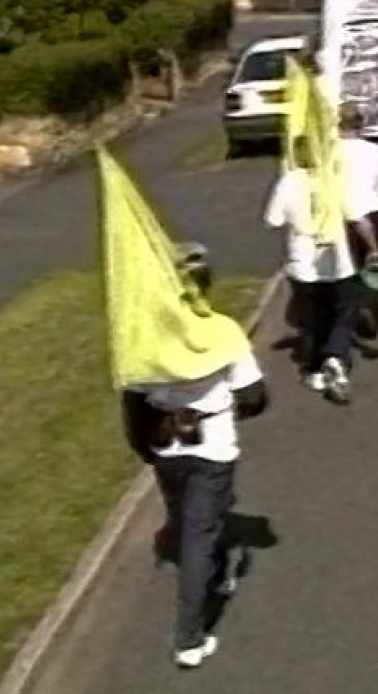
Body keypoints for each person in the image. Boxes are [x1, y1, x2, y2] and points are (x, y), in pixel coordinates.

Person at [121, 244, 270, 669]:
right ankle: (190, 635)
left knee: (186, 518)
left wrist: (143, 446)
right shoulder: (222, 331)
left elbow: (132, 399)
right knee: (198, 536)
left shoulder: (144, 337)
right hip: (214, 445)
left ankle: (216, 567)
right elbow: (254, 396)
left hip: (167, 447)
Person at [264, 136, 378, 404]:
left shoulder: (289, 181)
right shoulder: (335, 181)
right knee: (342, 313)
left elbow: (272, 220)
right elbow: (358, 219)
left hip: (302, 261)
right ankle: (335, 357)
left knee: (312, 317)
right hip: (338, 261)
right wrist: (373, 249)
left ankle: (315, 368)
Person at [335, 102, 378, 338]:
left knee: (343, 266)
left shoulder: (327, 150)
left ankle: (346, 308)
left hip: (333, 215)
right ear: (360, 125)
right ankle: (370, 304)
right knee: (374, 263)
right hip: (367, 211)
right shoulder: (371, 151)